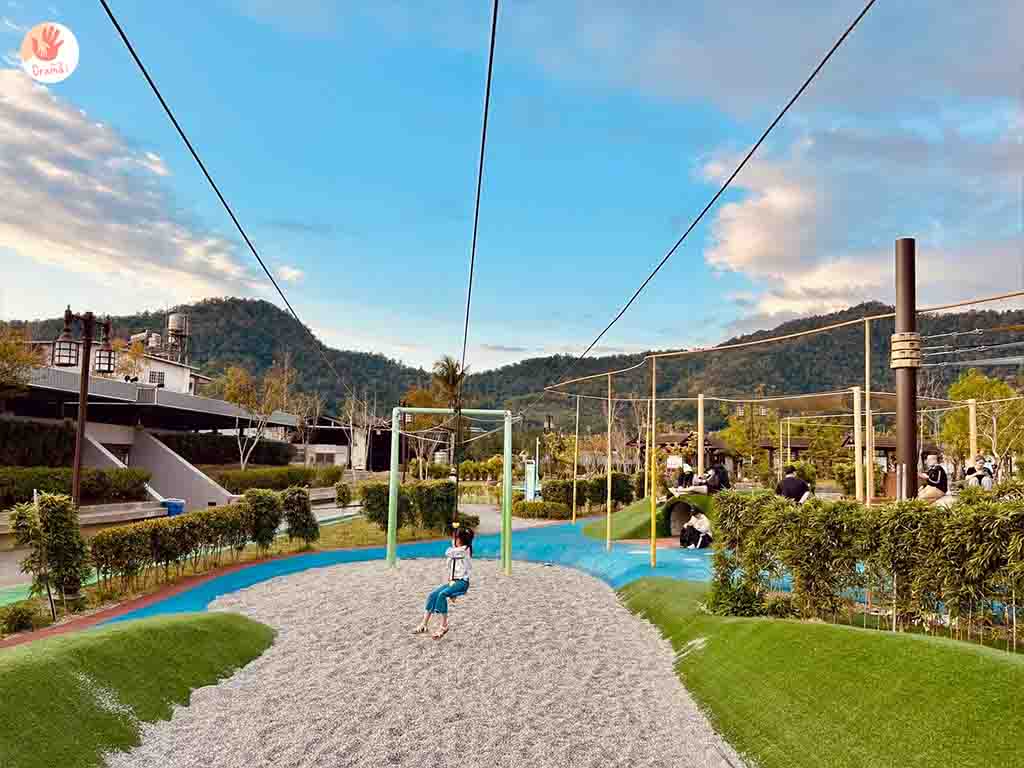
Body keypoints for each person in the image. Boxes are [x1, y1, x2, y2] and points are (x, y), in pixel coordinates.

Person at [413, 525, 474, 639]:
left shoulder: (465, 550)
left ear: (461, 539)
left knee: (442, 594)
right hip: (453, 582)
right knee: (433, 595)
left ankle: (444, 626)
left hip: (462, 583)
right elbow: (451, 560)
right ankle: (424, 624)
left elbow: (448, 552)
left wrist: (452, 547)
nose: (453, 540)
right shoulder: (456, 551)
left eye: (455, 538)